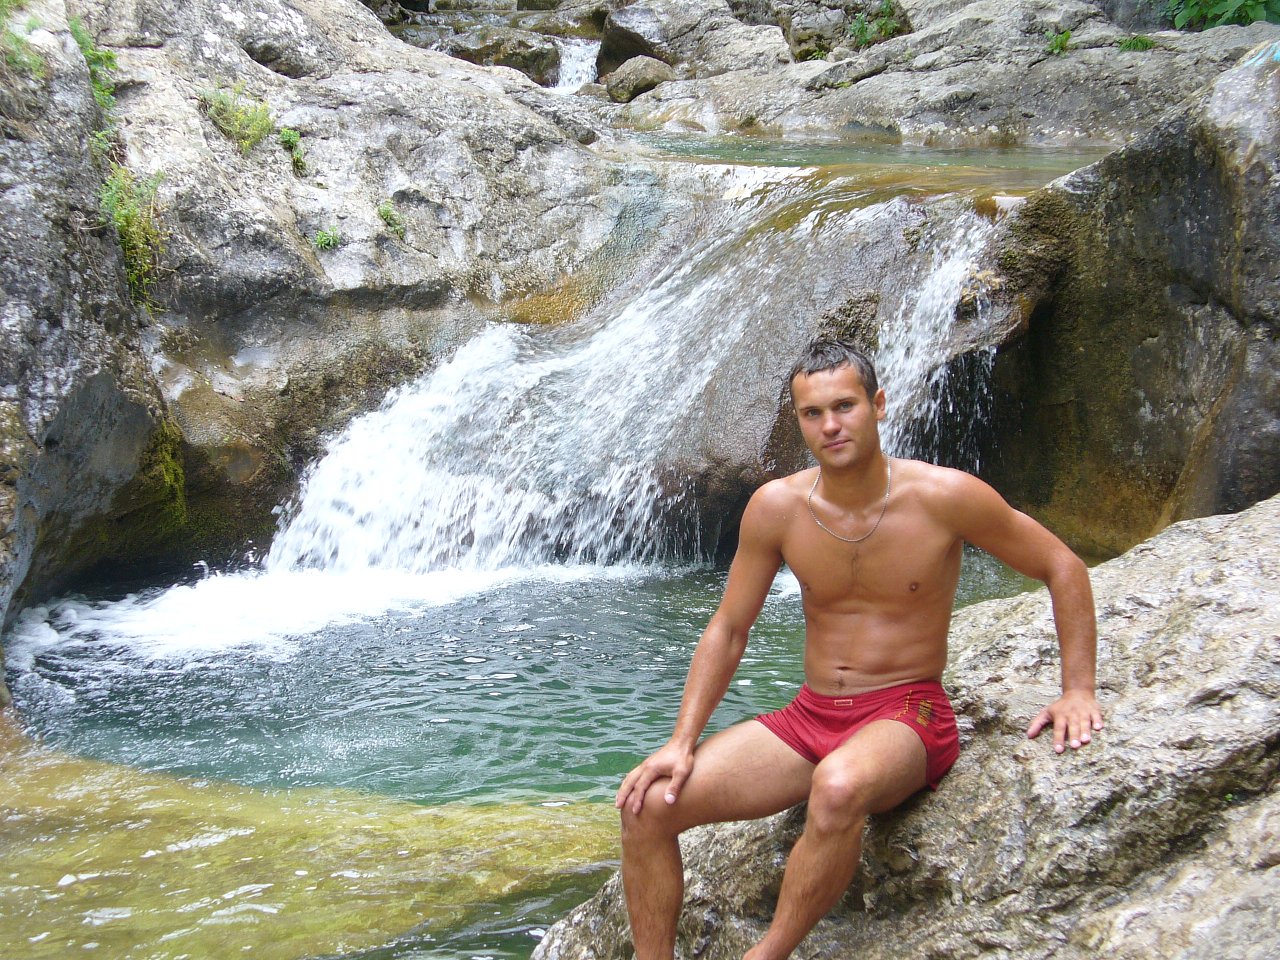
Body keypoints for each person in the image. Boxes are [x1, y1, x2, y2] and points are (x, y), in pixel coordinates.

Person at [615, 337, 1104, 960]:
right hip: (811, 715)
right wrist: (682, 741)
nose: (830, 426)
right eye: (812, 413)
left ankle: (768, 954)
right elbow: (729, 628)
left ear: (878, 405)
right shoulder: (778, 507)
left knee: (839, 786)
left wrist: (1077, 690)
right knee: (646, 806)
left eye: (844, 406)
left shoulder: (944, 496)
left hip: (908, 714)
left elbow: (1062, 565)